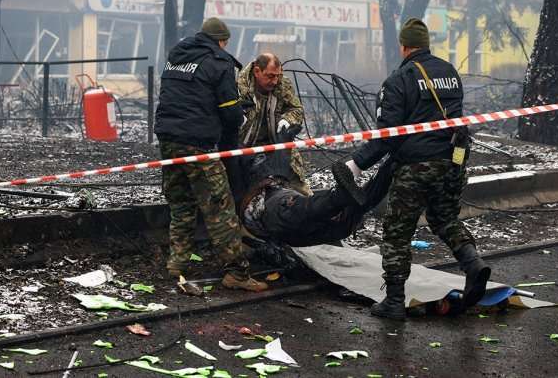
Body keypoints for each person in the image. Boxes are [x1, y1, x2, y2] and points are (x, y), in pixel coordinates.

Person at [332, 17, 490, 320]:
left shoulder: (399, 80)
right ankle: (473, 264)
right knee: (443, 217)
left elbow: (387, 136)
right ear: (426, 44)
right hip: (452, 162)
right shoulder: (449, 72)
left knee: (396, 232)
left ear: (403, 46)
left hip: (416, 168)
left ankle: (393, 301)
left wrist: (356, 164)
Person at [154, 17, 267, 293]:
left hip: (167, 139)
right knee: (220, 208)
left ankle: (177, 263)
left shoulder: (176, 56)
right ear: (222, 40)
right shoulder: (219, 62)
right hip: (197, 144)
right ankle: (237, 273)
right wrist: (241, 113)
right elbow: (229, 112)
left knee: (181, 204)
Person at [239, 152, 395, 247]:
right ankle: (341, 195)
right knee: (300, 210)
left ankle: (391, 167)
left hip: (286, 230)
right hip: (265, 213)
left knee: (346, 219)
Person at [237, 53, 310, 195]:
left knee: (301, 190)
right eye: (270, 76)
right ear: (257, 71)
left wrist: (287, 119)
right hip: (244, 148)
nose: (275, 81)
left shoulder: (283, 84)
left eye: (277, 75)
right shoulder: (238, 85)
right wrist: (237, 116)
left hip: (275, 144)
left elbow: (297, 109)